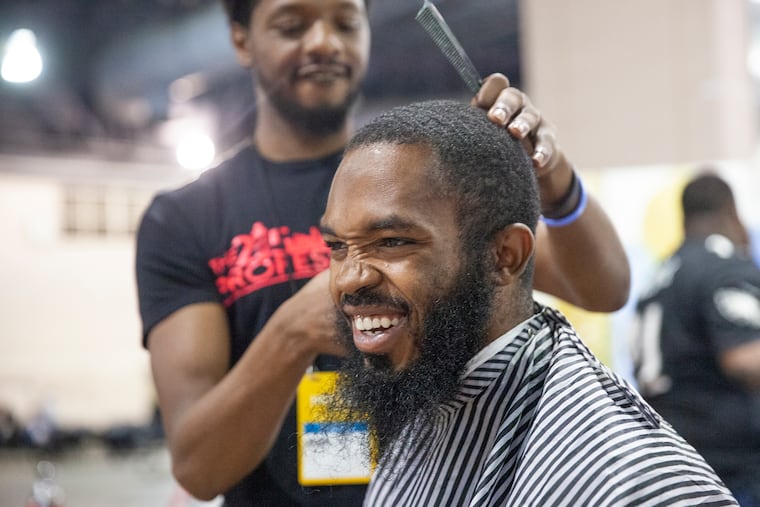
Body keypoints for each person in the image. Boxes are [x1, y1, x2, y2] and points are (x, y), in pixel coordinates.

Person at [135, 0, 630, 504]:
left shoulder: (421, 181)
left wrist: (554, 178)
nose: (325, 42)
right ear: (242, 40)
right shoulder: (185, 219)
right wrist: (290, 334)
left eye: (346, 22)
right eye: (293, 25)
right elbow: (197, 468)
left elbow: (605, 288)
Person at [320, 99, 736, 506]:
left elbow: (608, 286)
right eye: (337, 246)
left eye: (393, 242)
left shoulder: (630, 478)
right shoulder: (428, 403)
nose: (349, 278)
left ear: (505, 256)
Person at [631, 172, 760, 506]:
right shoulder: (722, 264)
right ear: (732, 213)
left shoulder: (658, 276)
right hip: (727, 469)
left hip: (669, 460)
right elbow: (743, 358)